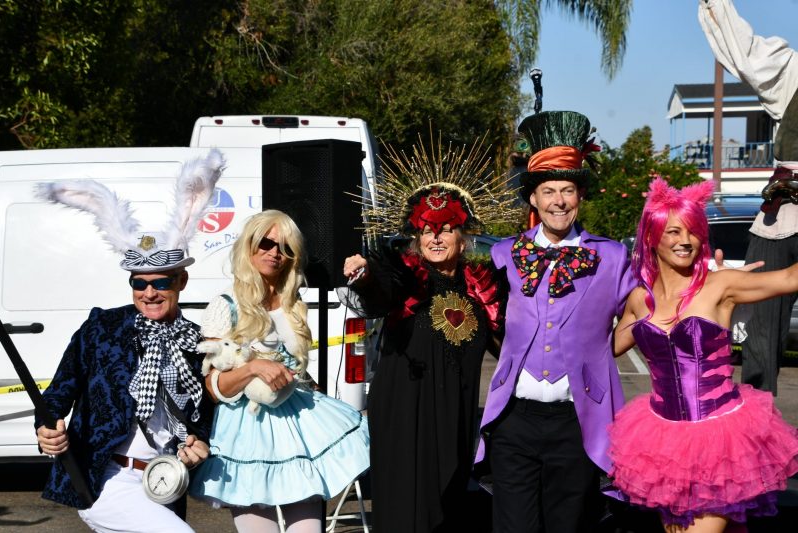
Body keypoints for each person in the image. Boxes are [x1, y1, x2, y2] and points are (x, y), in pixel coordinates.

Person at [34, 150, 224, 532]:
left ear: (181, 282)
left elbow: (202, 412)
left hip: (165, 482)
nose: (149, 292)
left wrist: (198, 443)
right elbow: (58, 394)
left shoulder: (196, 341)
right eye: (139, 283)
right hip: (105, 481)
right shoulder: (102, 328)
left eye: (161, 283)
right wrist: (45, 429)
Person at [341, 136, 518, 532]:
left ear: (463, 236)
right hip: (405, 416)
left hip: (456, 417)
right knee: (407, 507)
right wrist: (365, 276)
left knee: (449, 504)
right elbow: (380, 291)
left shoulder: (482, 289)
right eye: (426, 229)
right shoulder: (406, 278)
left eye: (446, 228)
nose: (435, 237)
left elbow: (511, 344)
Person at [475, 110, 637, 533]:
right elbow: (482, 317)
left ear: (580, 195)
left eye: (567, 190)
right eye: (549, 191)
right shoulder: (503, 254)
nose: (558, 201)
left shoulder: (612, 257)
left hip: (576, 419)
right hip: (514, 418)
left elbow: (643, 310)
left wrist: (606, 349)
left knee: (569, 526)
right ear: (533, 198)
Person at [609, 177, 798, 532]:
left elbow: (789, 278)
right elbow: (604, 347)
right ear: (652, 237)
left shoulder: (720, 286)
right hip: (662, 441)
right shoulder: (639, 300)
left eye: (694, 232)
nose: (686, 241)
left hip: (721, 439)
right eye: (674, 232)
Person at [189, 209, 370, 533]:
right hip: (246, 433)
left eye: (285, 247)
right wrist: (255, 368)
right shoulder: (225, 305)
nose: (274, 252)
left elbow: (295, 371)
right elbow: (214, 388)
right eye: (266, 243)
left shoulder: (293, 303)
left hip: (299, 429)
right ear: (248, 246)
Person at [699, 0, 798, 395]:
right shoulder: (793, 71)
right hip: (782, 218)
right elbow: (747, 52)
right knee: (760, 342)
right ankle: (756, 439)